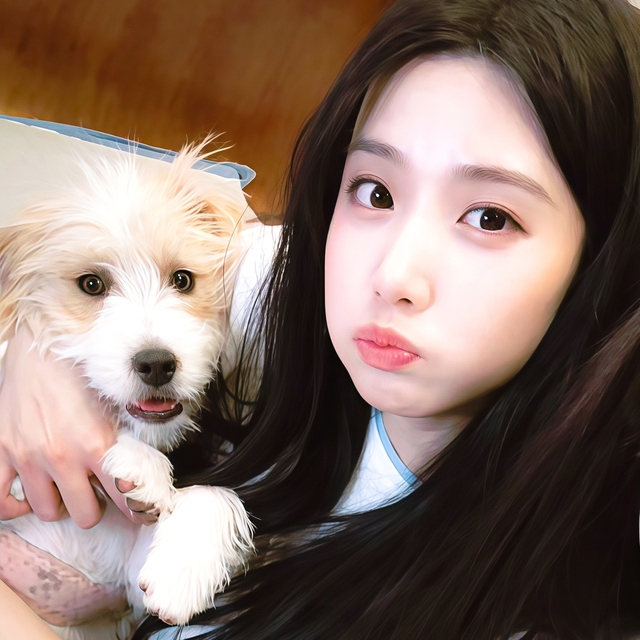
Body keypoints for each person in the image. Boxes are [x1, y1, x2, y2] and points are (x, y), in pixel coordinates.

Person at [2, 0, 640, 637]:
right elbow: (113, 258)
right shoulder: (296, 284)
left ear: (608, 256)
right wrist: (38, 362)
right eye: (376, 192)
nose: (393, 275)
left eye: (489, 218)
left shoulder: (559, 595)